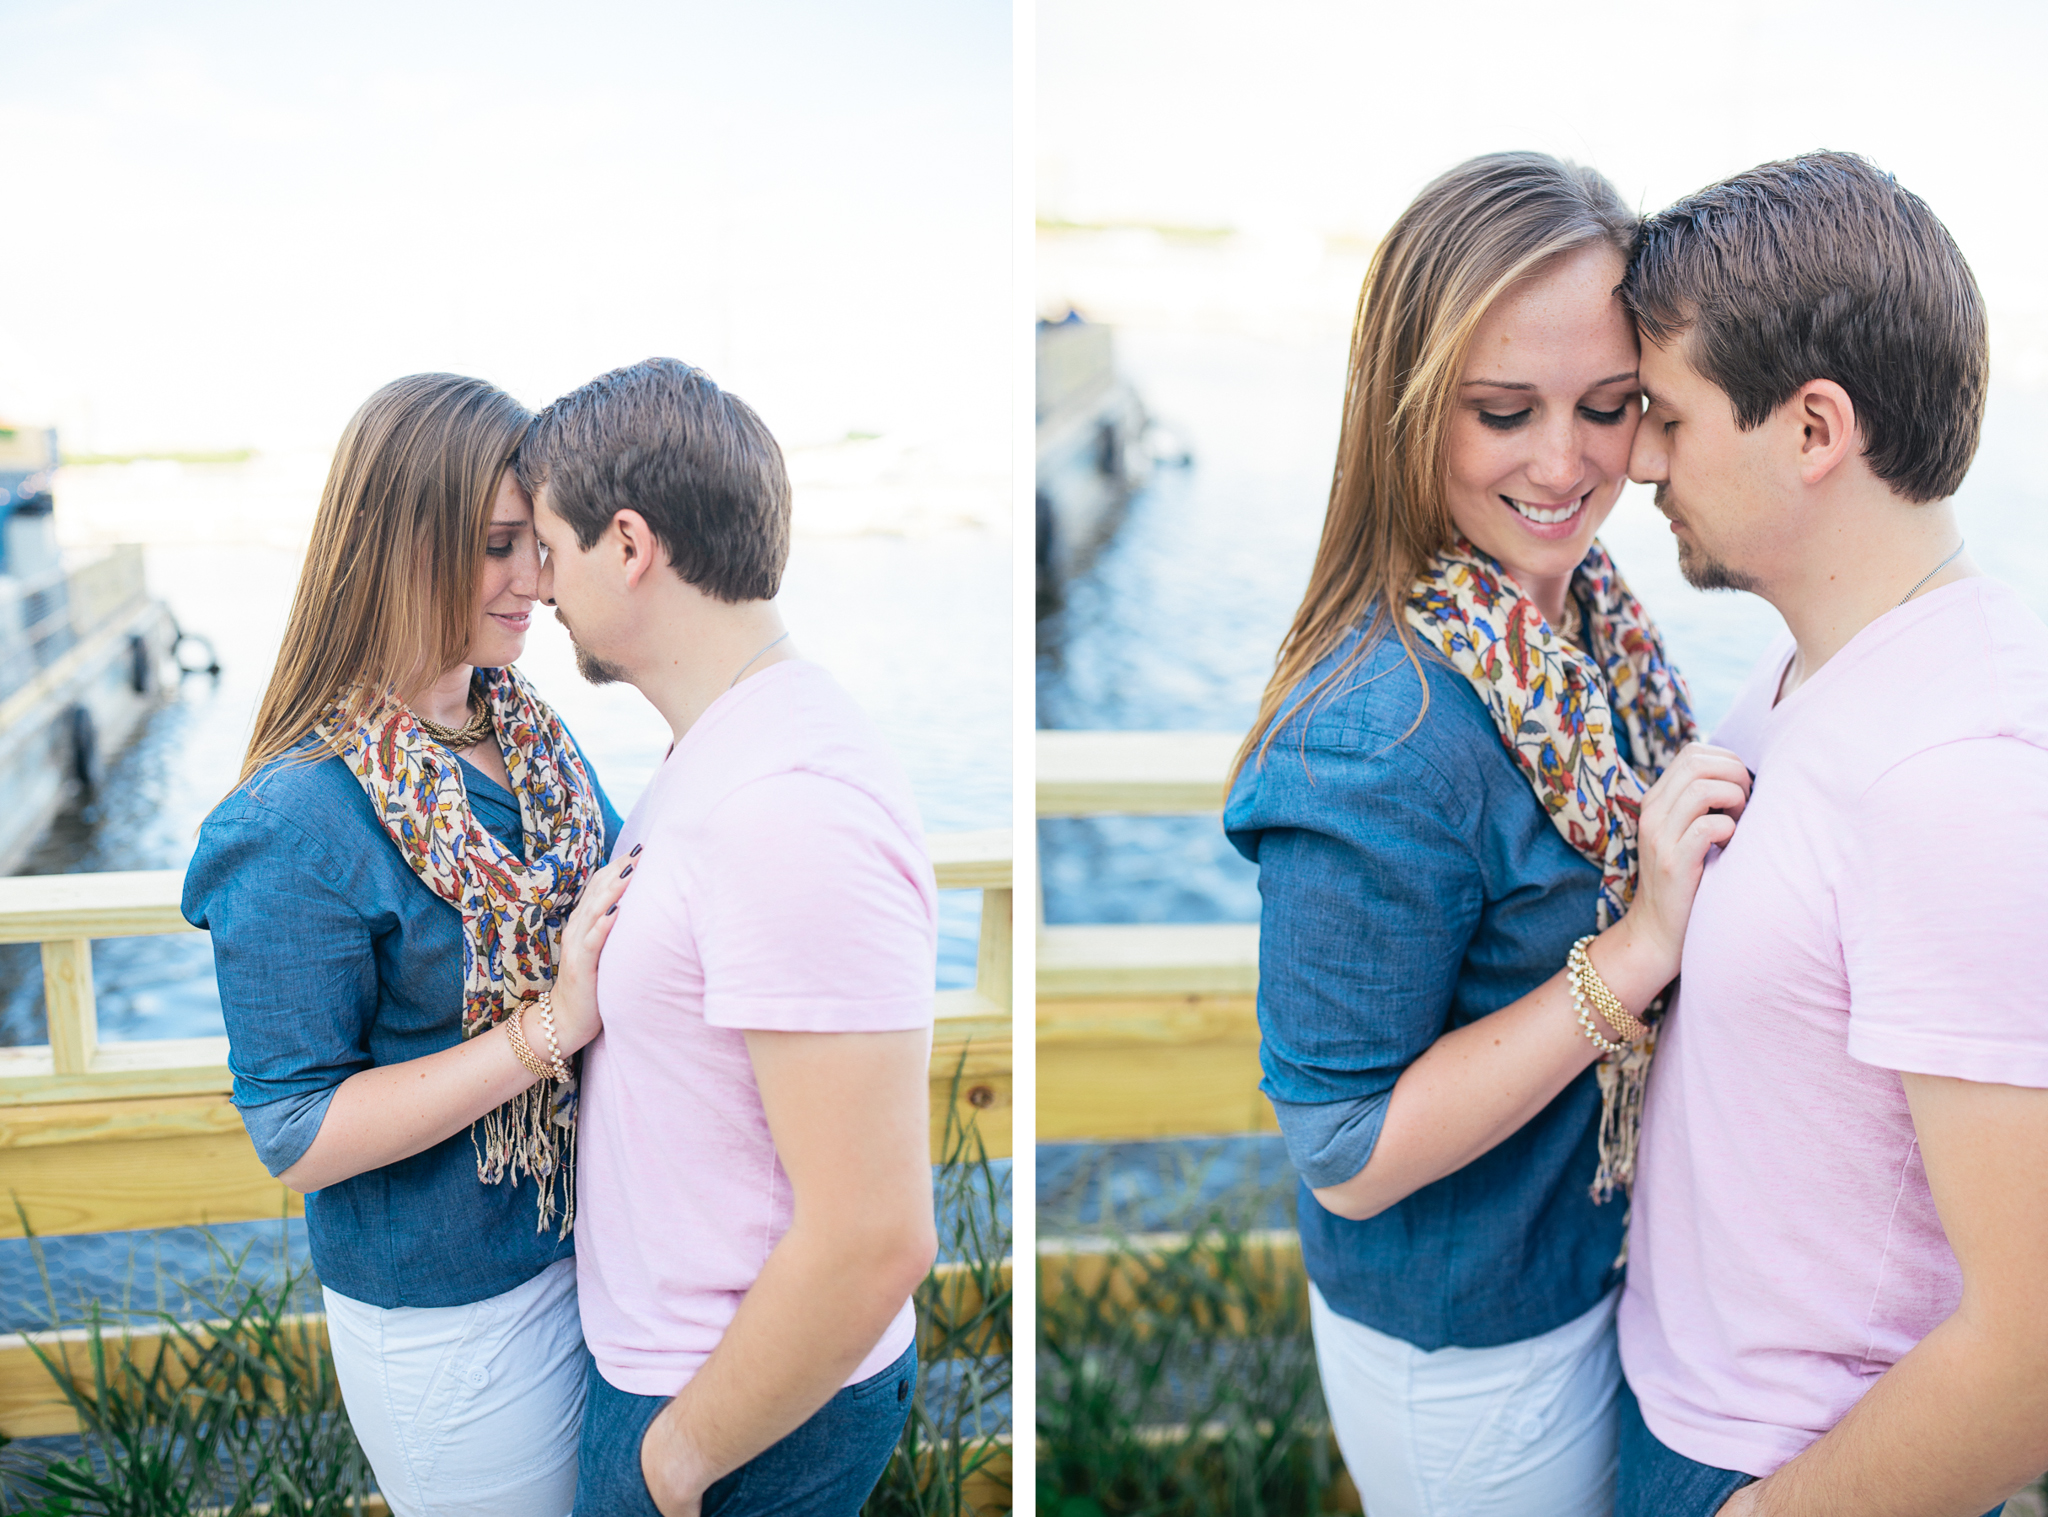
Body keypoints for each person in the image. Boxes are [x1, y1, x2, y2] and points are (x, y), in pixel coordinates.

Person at [1222, 151, 1751, 1517]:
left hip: (1598, 1270)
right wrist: (1636, 953)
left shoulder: (1575, 619)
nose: (1567, 464)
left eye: (1611, 407)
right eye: (1505, 412)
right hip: (1476, 1358)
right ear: (1404, 407)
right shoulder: (1376, 737)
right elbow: (1343, 1153)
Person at [1613, 152, 2048, 1517]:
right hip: (1697, 1413)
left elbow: (2031, 1348)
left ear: (1812, 430)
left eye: (1668, 417)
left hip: (1790, 1470)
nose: (1634, 459)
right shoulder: (1819, 672)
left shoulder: (1958, 775)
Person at [182, 373, 633, 1517]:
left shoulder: (525, 733)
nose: (533, 579)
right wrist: (548, 1028)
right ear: (398, 544)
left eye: (537, 542)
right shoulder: (294, 821)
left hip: (597, 1255)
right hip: (454, 1324)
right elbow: (297, 1132)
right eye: (496, 546)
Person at [515, 357, 939, 1517]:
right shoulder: (727, 747)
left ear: (630, 543)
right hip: (685, 1377)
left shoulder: (789, 805)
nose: (539, 587)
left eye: (548, 548)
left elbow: (875, 1232)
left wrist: (680, 1456)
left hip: (727, 1411)